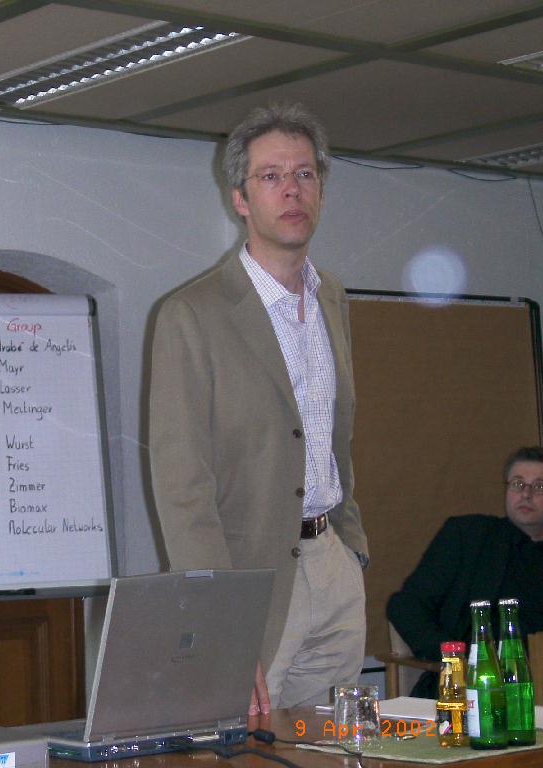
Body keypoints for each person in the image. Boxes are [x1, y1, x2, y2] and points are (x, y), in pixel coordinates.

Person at [149, 103, 369, 714]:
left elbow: (332, 439)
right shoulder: (192, 314)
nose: (291, 189)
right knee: (244, 745)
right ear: (240, 199)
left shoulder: (331, 297)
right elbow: (182, 485)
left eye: (304, 174)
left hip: (331, 564)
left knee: (332, 747)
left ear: (321, 189)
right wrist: (220, 618)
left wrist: (352, 548)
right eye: (271, 176)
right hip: (251, 580)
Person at [387, 445, 543, 712]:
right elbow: (405, 605)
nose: (525, 494)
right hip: (474, 681)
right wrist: (453, 656)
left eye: (539, 487)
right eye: (518, 484)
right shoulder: (467, 537)